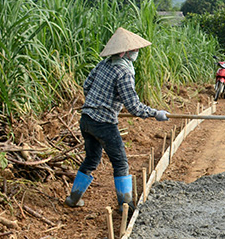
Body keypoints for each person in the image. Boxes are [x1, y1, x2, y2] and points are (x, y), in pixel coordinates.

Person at [65, 28, 169, 213]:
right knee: (121, 163)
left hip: (87, 119)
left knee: (91, 159)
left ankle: (73, 198)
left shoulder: (104, 64)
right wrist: (155, 113)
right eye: (134, 50)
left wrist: (97, 104)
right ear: (126, 52)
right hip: (104, 124)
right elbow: (134, 106)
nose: (136, 53)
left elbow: (87, 85)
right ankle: (125, 207)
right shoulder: (124, 72)